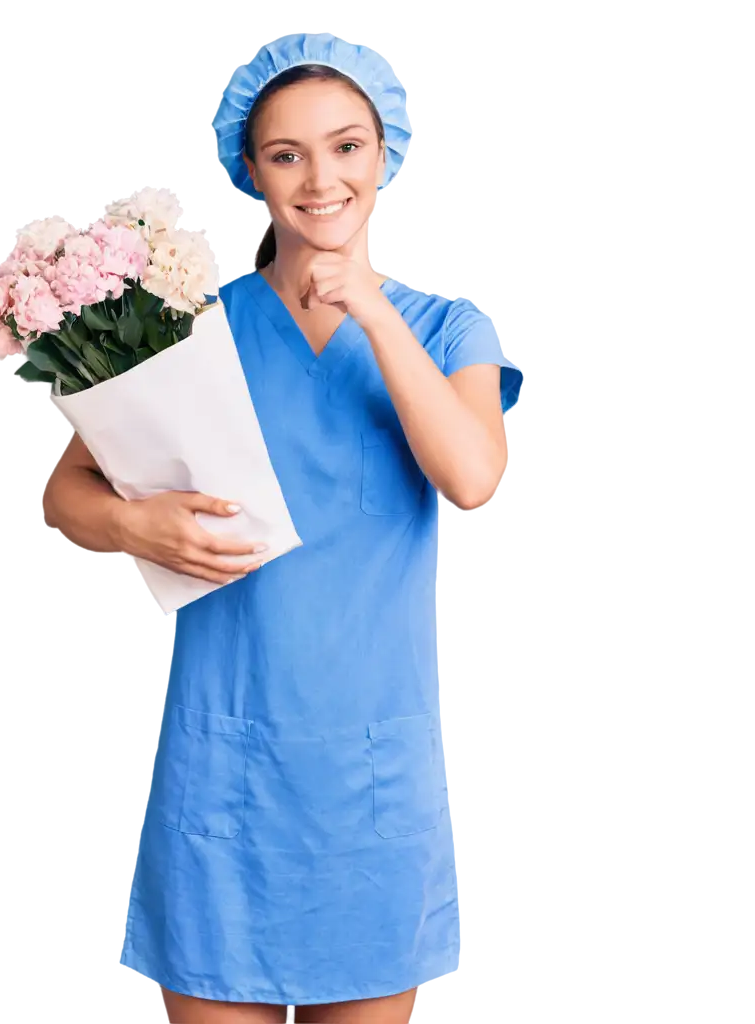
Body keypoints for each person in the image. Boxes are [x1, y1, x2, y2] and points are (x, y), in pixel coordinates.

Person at [35, 31, 524, 1024]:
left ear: (385, 157)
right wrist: (135, 525)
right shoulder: (188, 323)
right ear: (249, 173)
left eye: (345, 147)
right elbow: (63, 493)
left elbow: (473, 478)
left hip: (371, 778)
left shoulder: (445, 328)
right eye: (285, 154)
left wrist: (373, 312)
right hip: (225, 769)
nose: (319, 178)